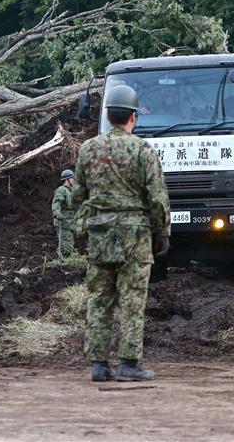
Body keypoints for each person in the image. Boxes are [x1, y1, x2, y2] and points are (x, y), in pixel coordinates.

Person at [71, 84, 171, 382]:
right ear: (133, 117)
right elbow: (157, 197)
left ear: (108, 115)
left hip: (100, 235)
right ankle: (129, 363)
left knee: (100, 299)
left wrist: (85, 223)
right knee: (132, 300)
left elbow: (77, 195)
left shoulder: (88, 149)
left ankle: (99, 365)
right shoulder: (143, 150)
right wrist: (162, 232)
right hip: (134, 237)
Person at [52, 170, 76, 258]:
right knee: (66, 247)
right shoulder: (62, 190)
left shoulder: (71, 191)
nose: (74, 180)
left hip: (70, 222)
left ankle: (63, 261)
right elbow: (56, 203)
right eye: (72, 178)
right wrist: (56, 213)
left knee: (69, 245)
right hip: (63, 222)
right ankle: (61, 262)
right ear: (67, 180)